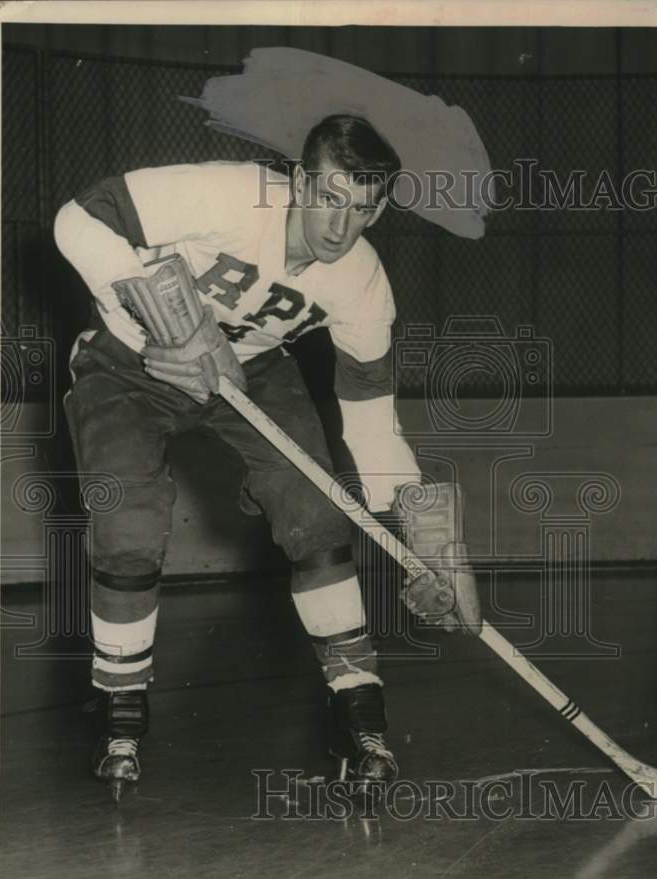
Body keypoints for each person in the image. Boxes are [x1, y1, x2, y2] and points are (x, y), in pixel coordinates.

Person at [54, 114, 479, 802]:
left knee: (316, 512)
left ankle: (358, 710)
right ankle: (121, 711)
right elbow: (78, 220)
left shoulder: (362, 284)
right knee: (127, 521)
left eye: (364, 209)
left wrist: (426, 548)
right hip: (130, 359)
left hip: (248, 373)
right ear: (300, 180)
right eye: (331, 198)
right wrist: (175, 324)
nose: (340, 228)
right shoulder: (225, 196)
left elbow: (371, 427)